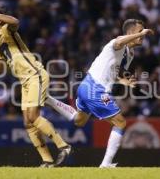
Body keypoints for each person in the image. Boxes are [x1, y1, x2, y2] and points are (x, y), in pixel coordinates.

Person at [0, 5, 71, 167]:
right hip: (25, 82)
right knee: (28, 122)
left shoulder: (7, 29)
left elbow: (15, 21)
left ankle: (64, 146)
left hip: (35, 75)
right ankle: (47, 160)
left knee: (33, 116)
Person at [46, 19, 154, 167]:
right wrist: (141, 33)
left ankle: (48, 99)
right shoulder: (116, 43)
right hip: (95, 88)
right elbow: (119, 41)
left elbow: (113, 72)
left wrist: (122, 81)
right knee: (120, 123)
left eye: (143, 32)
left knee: (79, 120)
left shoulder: (130, 54)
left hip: (87, 86)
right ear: (129, 33)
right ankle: (105, 164)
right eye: (139, 31)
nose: (142, 35)